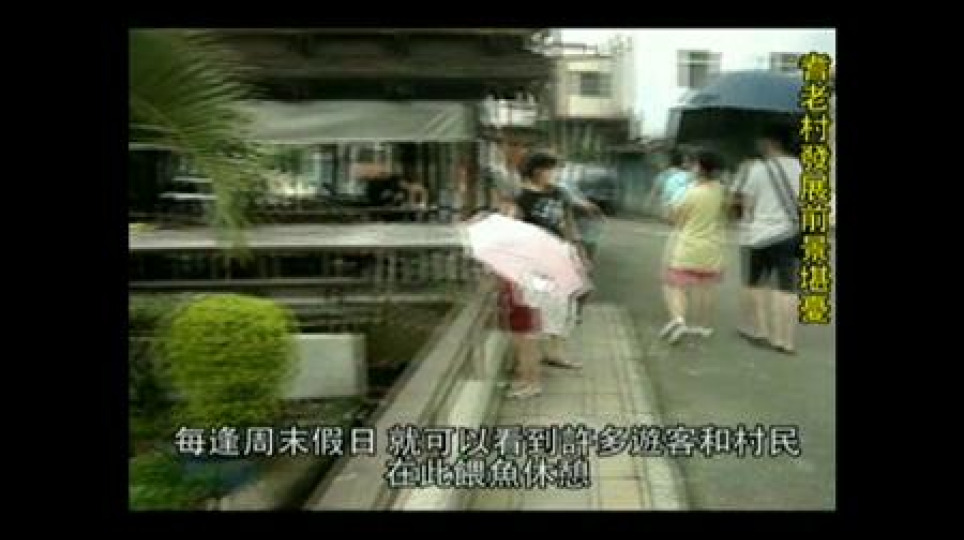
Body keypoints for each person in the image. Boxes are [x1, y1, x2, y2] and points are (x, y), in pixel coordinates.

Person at [500, 150, 588, 399]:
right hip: (533, 265)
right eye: (552, 169)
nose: (556, 174)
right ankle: (528, 378)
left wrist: (577, 251)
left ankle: (537, 370)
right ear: (538, 171)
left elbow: (566, 224)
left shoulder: (558, 194)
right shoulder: (520, 199)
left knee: (554, 314)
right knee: (529, 323)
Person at [733, 124, 802, 355]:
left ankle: (762, 331)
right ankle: (786, 340)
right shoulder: (800, 167)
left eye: (762, 141)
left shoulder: (758, 169)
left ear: (771, 143)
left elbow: (748, 206)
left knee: (757, 283)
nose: (759, 144)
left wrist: (748, 220)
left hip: (761, 235)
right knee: (787, 287)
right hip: (789, 234)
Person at [658, 148, 727, 344]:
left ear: (700, 168)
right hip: (712, 247)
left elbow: (675, 219)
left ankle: (679, 320)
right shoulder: (721, 190)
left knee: (675, 285)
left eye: (694, 164)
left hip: (688, 245)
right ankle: (703, 326)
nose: (691, 168)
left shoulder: (692, 193)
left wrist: (669, 210)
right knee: (706, 287)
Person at [647, 147, 695, 222]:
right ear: (683, 163)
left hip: (667, 212)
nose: (690, 164)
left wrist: (649, 205)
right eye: (688, 162)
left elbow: (654, 192)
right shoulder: (689, 176)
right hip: (682, 211)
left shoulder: (663, 174)